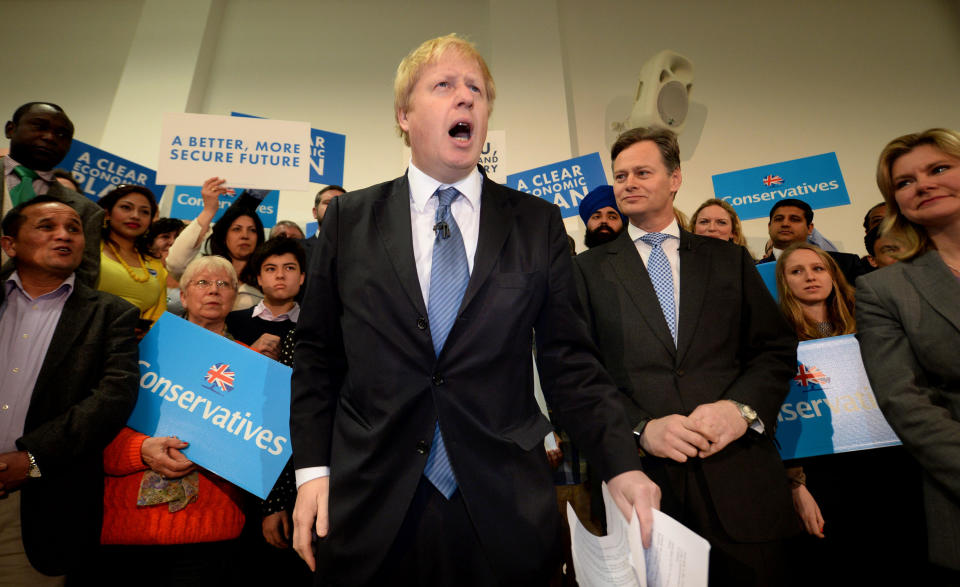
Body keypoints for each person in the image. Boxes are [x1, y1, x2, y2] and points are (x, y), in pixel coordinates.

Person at [290, 34, 659, 585]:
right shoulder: (348, 220)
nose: (466, 98)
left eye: (477, 90)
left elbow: (570, 364)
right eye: (444, 86)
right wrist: (312, 472)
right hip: (372, 499)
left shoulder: (536, 224)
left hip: (502, 504)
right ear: (404, 115)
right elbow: (318, 357)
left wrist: (621, 465)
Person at [573, 126, 799, 586]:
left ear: (675, 178)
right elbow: (578, 375)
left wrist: (740, 410)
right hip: (644, 489)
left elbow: (774, 351)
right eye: (620, 175)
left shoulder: (728, 260)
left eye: (642, 172)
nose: (628, 183)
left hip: (741, 483)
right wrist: (640, 427)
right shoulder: (584, 271)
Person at [0, 197, 139, 582]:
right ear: (9, 244)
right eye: (46, 226)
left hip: (36, 508)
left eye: (74, 228)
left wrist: (31, 458)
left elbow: (113, 397)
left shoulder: (110, 314)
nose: (64, 234)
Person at [776, 242, 925, 586]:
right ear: (784, 282)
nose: (809, 277)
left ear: (834, 274)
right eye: (796, 271)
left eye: (818, 268)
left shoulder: (875, 323)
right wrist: (796, 486)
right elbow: (779, 421)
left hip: (893, 464)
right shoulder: (774, 341)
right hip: (822, 475)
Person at [96, 256, 249, 586]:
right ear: (183, 292)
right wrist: (141, 449)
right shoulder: (138, 350)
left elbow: (256, 449)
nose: (213, 291)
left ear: (236, 295)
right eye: (202, 283)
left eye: (224, 284)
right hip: (127, 530)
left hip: (211, 532)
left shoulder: (252, 366)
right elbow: (98, 427)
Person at [857, 128, 960, 580]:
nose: (922, 185)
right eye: (904, 182)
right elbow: (905, 399)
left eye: (939, 169)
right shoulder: (884, 289)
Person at [2, 102, 103, 286]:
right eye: (39, 127)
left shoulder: (87, 210)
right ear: (10, 129)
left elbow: (85, 279)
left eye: (62, 135)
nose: (50, 137)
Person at [166, 177, 265, 310]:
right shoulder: (203, 269)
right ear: (224, 237)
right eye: (237, 229)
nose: (245, 235)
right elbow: (175, 263)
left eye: (252, 230)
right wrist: (208, 210)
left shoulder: (265, 277)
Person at [95, 185, 166, 329]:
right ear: (107, 214)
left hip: (129, 346)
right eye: (126, 208)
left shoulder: (154, 264)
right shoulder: (89, 248)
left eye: (144, 212)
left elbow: (157, 317)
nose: (135, 215)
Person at [226, 236, 305, 356]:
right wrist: (252, 352)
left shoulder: (314, 327)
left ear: (302, 277)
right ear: (259, 279)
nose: (280, 275)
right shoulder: (231, 322)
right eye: (271, 269)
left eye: (289, 268)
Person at [757, 198, 864, 286]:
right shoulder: (753, 271)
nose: (785, 223)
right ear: (769, 226)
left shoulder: (846, 263)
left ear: (809, 228)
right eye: (779, 219)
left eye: (794, 219)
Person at [145, 217, 187, 315]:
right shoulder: (139, 269)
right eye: (165, 237)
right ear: (150, 243)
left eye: (178, 237)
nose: (172, 242)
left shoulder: (193, 274)